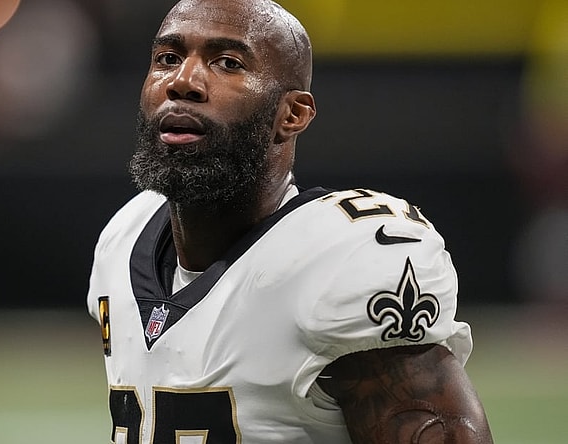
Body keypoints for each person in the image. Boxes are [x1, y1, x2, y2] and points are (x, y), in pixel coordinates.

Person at [86, 0, 494, 442]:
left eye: (227, 63)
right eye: (168, 58)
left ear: (293, 114)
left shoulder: (339, 261)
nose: (183, 81)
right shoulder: (125, 236)